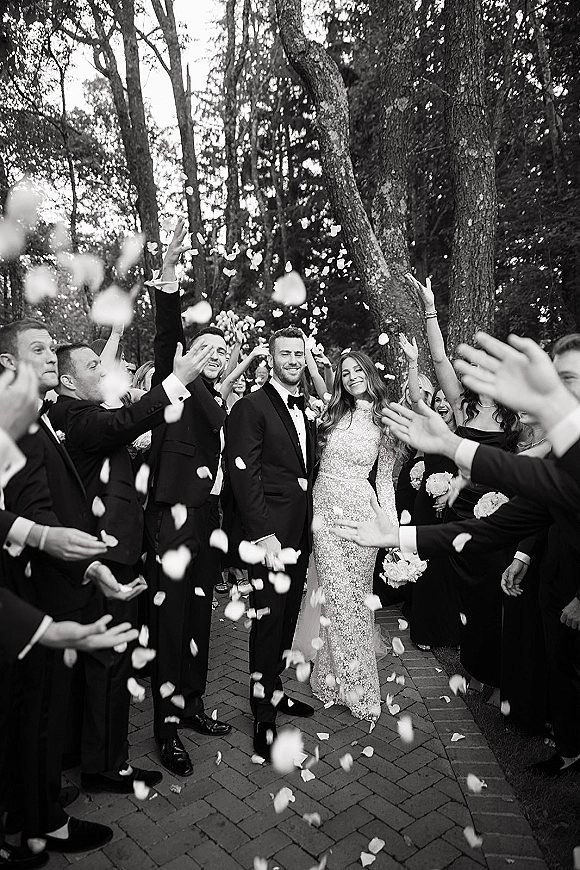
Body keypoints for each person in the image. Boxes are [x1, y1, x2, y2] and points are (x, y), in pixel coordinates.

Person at [0, 319, 141, 854]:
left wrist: (85, 564)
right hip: (23, 595)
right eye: (36, 349)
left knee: (37, 713)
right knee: (30, 714)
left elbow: (41, 509)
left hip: (48, 581)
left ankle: (36, 817)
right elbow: (30, 515)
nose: (50, 356)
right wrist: (43, 539)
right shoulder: (10, 425)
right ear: (8, 365)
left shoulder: (35, 421)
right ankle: (33, 823)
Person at [47, 338, 208, 794]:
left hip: (107, 552)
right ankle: (106, 766)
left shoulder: (72, 413)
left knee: (101, 662)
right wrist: (177, 381)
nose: (105, 369)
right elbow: (121, 422)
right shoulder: (75, 415)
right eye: (94, 364)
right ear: (68, 381)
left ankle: (85, 752)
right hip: (106, 556)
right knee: (111, 663)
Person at [408, 273, 521, 700]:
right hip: (460, 515)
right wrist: (429, 307)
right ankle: (474, 670)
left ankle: (495, 680)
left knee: (493, 602)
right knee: (470, 603)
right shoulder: (461, 408)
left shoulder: (515, 419)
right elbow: (438, 361)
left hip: (495, 517)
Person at [144, 219, 231, 778]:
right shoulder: (174, 379)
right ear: (188, 352)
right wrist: (171, 264)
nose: (216, 357)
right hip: (170, 517)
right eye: (208, 349)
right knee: (171, 621)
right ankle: (166, 726)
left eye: (222, 353)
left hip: (207, 522)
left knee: (200, 615)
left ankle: (195, 705)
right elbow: (166, 328)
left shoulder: (216, 401)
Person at [227, 326, 317, 761]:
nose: (293, 360)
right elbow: (244, 476)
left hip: (300, 533)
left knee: (285, 621)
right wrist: (264, 535)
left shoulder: (306, 409)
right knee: (267, 622)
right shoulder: (251, 406)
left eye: (299, 353)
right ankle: (262, 712)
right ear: (272, 358)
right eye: (286, 354)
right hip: (271, 537)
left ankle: (276, 690)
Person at [309, 351, 396, 720]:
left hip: (362, 514)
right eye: (345, 373)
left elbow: (385, 481)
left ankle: (345, 682)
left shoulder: (385, 419)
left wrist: (389, 532)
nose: (351, 377)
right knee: (337, 598)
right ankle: (346, 682)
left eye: (357, 370)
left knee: (356, 600)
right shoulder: (332, 413)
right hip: (324, 513)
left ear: (369, 372)